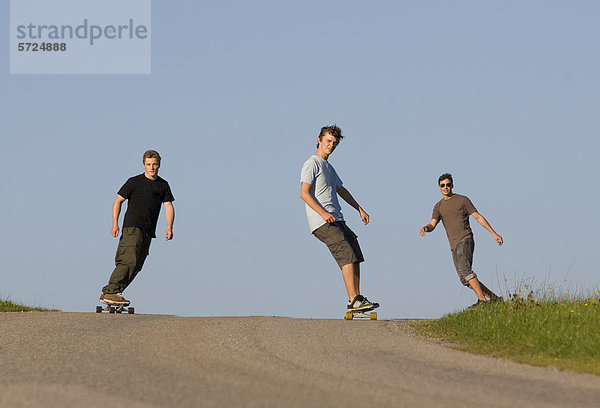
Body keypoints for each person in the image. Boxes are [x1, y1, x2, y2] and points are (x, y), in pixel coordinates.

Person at [300, 125, 379, 312]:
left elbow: (341, 189)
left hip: (337, 219)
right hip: (323, 221)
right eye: (328, 141)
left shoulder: (329, 167)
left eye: (334, 143)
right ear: (319, 140)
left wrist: (359, 209)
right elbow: (304, 193)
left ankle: (358, 298)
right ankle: (353, 300)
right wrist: (322, 213)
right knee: (346, 253)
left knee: (355, 253)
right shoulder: (312, 163)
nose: (331, 145)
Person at [99, 150, 175, 305]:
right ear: (143, 165)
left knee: (137, 264)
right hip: (132, 227)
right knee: (128, 259)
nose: (152, 167)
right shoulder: (134, 182)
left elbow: (168, 206)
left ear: (159, 165)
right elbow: (117, 201)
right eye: (148, 164)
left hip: (148, 231)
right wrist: (115, 223)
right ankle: (110, 291)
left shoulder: (163, 185)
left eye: (154, 164)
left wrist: (169, 227)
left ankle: (116, 292)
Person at [419, 173, 502, 307]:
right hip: (453, 245)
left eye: (448, 185)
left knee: (465, 271)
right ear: (439, 188)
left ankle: (482, 301)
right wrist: (426, 228)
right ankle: (495, 300)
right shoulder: (438, 206)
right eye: (442, 185)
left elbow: (478, 217)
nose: (445, 187)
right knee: (464, 278)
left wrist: (493, 233)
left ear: (452, 185)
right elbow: (432, 224)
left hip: (465, 239)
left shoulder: (462, 200)